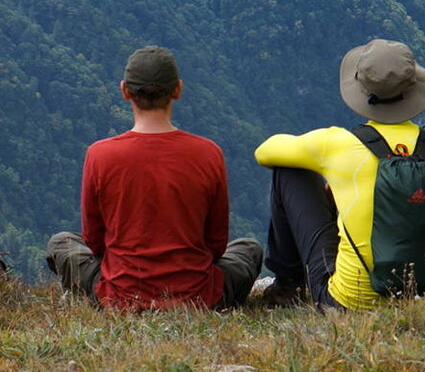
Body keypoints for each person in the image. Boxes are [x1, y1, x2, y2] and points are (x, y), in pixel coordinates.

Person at [46, 46, 263, 310]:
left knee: (61, 242)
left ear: (125, 90)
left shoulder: (100, 154)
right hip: (197, 297)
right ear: (178, 89)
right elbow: (216, 245)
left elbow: (93, 241)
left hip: (120, 295)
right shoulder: (208, 153)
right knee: (249, 249)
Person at [255, 39, 425, 311]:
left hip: (349, 302)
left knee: (289, 170)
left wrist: (329, 173)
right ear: (415, 89)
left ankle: (287, 287)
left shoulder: (336, 145)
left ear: (361, 92)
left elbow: (264, 152)